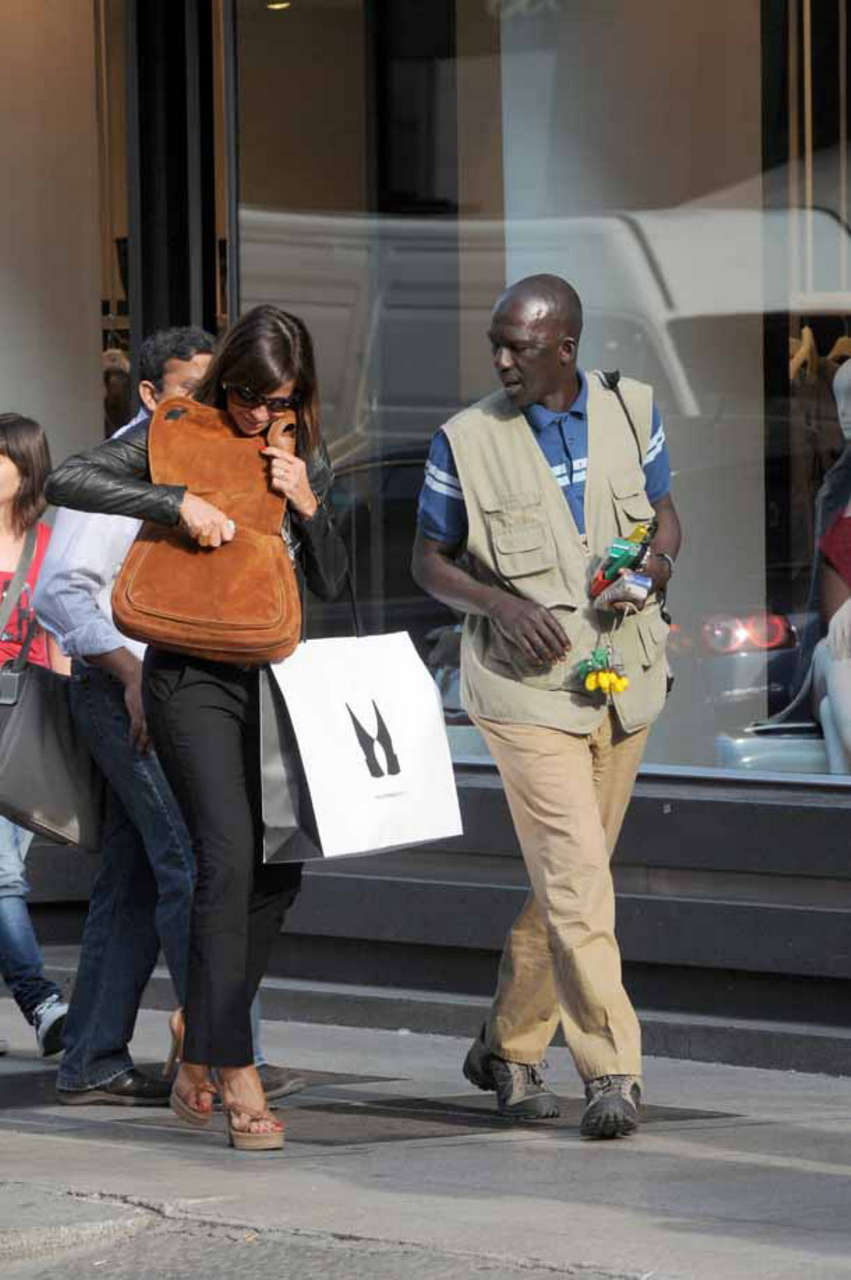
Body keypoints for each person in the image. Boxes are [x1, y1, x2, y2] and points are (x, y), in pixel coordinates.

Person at [45, 305, 348, 1149]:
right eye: (246, 393)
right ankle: (236, 1064)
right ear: (225, 380)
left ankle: (196, 1050)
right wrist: (173, 501)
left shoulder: (293, 444)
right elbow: (70, 477)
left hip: (276, 677)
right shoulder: (177, 430)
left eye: (277, 398)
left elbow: (332, 578)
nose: (257, 413)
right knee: (219, 855)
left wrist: (306, 500)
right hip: (187, 674)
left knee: (277, 871)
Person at [412, 275, 681, 1140]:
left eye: (516, 348)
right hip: (523, 694)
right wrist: (498, 604)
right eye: (495, 344)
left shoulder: (631, 409)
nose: (500, 361)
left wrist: (657, 567)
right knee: (574, 875)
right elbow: (428, 562)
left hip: (624, 676)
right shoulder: (463, 439)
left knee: (572, 881)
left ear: (563, 347)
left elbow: (664, 517)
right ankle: (612, 1068)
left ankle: (507, 1044)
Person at [0, 414, 71, 1056]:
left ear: (26, 468)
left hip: (31, 728)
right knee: (2, 879)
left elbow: (66, 640)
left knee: (3, 873)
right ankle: (44, 1005)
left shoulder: (50, 547)